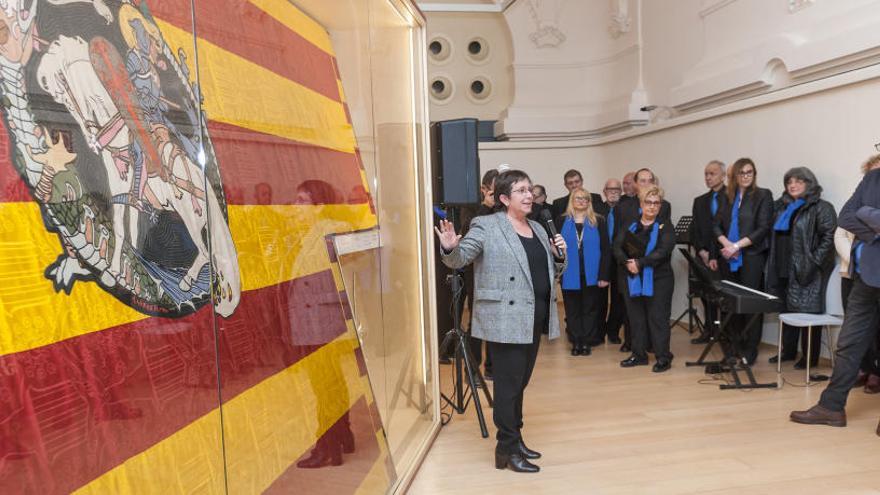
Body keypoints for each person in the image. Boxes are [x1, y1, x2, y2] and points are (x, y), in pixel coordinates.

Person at [436, 169, 567, 472]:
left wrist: (558, 256)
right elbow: (459, 259)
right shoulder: (486, 224)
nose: (528, 194)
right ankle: (505, 450)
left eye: (530, 189)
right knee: (508, 387)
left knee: (520, 384)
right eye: (521, 190)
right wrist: (449, 246)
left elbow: (552, 272)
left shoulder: (537, 226)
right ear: (505, 198)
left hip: (534, 316)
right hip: (504, 317)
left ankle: (515, 439)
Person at [790, 159, 880, 437]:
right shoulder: (872, 179)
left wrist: (870, 217)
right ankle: (831, 407)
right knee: (849, 343)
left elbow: (860, 215)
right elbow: (847, 216)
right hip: (868, 275)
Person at [765, 167, 837, 369]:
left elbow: (829, 236)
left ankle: (810, 358)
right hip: (783, 266)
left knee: (809, 314)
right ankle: (788, 351)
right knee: (787, 311)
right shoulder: (783, 207)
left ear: (809, 184)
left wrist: (813, 261)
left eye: (798, 181)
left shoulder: (822, 207)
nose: (793, 185)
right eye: (789, 182)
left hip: (808, 269)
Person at [713, 158, 772, 365]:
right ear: (734, 176)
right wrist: (726, 244)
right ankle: (733, 349)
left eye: (750, 172)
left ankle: (750, 349)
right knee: (731, 304)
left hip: (751, 257)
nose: (746, 176)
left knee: (750, 304)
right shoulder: (726, 197)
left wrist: (736, 246)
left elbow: (763, 227)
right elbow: (716, 225)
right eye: (742, 173)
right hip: (729, 258)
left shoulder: (763, 195)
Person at [614, 185, 676, 372]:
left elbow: (663, 252)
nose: (652, 206)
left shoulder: (666, 227)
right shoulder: (630, 225)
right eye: (648, 202)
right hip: (632, 278)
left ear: (660, 206)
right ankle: (638, 355)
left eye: (656, 203)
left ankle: (663, 357)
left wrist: (639, 264)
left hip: (659, 280)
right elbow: (617, 247)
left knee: (658, 319)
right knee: (636, 319)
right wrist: (627, 262)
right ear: (641, 204)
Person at [557, 187, 611, 355]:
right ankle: (576, 341)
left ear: (589, 202)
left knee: (590, 309)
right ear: (572, 200)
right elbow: (555, 249)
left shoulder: (599, 221)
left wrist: (604, 275)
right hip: (569, 272)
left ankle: (586, 342)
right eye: (578, 198)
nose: (581, 201)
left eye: (585, 199)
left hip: (592, 273)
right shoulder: (561, 221)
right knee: (572, 309)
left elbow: (606, 250)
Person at [458, 169, 500, 377]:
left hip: (500, 271)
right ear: (484, 189)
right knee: (477, 321)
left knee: (497, 321)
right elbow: (466, 231)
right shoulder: (471, 206)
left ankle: (492, 368)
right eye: (494, 189)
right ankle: (472, 371)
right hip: (477, 271)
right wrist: (485, 207)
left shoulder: (505, 206)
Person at [690, 160, 727, 344]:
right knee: (706, 295)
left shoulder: (732, 196)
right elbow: (695, 229)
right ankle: (709, 330)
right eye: (706, 174)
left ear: (723, 175)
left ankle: (726, 333)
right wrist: (702, 251)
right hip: (703, 255)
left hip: (725, 255)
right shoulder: (700, 201)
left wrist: (716, 253)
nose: (708, 177)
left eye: (712, 173)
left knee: (724, 296)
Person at [594, 179, 625, 345]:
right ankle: (599, 332)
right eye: (610, 189)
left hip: (620, 260)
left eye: (616, 189)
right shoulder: (597, 210)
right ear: (604, 191)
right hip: (601, 259)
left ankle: (613, 331)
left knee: (618, 298)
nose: (613, 192)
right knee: (600, 297)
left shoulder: (626, 210)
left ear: (621, 191)